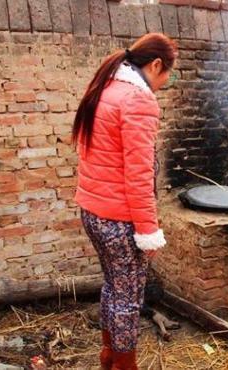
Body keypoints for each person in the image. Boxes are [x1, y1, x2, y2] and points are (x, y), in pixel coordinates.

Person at [72, 33, 178, 370]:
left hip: (93, 211)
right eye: (167, 75)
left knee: (113, 288)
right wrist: (148, 233)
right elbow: (139, 176)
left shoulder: (106, 89)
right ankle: (125, 366)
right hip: (120, 222)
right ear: (156, 65)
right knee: (129, 300)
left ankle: (108, 356)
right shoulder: (138, 100)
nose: (164, 83)